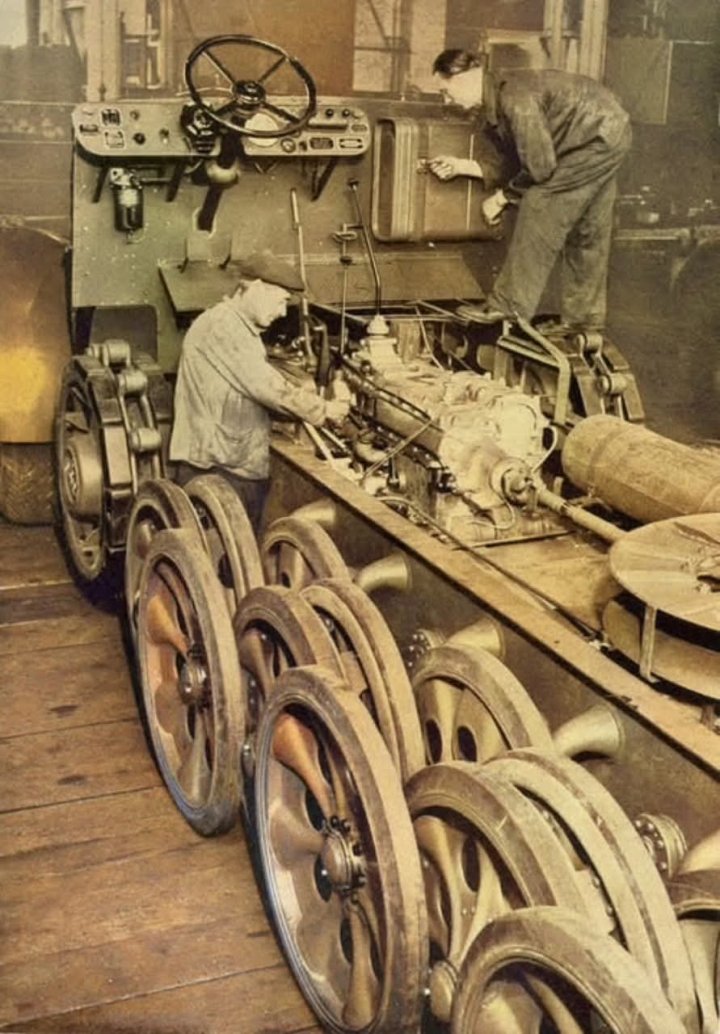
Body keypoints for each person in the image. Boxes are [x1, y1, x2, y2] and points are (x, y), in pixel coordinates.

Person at [429, 49, 632, 330]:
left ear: (464, 76)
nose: (447, 101)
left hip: (593, 137)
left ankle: (507, 306)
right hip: (607, 131)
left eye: (446, 91)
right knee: (588, 228)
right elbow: (517, 159)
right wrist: (462, 166)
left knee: (538, 203)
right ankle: (583, 322)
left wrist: (502, 198)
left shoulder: (514, 98)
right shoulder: (499, 95)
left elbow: (539, 168)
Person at [169, 251, 348, 531]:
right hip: (219, 471)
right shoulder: (223, 327)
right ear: (254, 287)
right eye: (280, 300)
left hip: (229, 463)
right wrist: (325, 410)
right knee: (226, 552)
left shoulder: (235, 328)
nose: (282, 312)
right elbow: (269, 389)